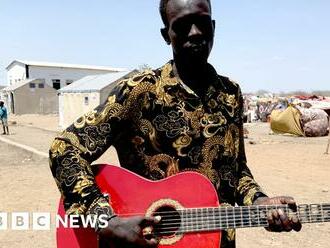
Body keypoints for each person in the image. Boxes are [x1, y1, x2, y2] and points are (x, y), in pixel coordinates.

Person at [49, 0, 301, 247]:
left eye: (202, 23)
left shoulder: (230, 93)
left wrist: (258, 201)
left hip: (216, 241)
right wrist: (106, 220)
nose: (195, 33)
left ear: (213, 26)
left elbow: (235, 173)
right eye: (182, 25)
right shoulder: (139, 92)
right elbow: (65, 148)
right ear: (166, 34)